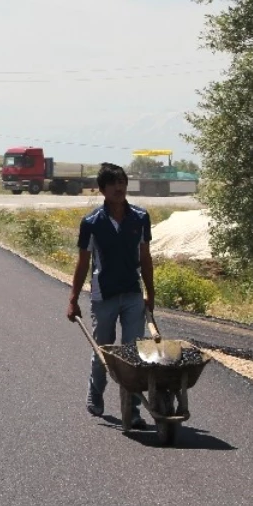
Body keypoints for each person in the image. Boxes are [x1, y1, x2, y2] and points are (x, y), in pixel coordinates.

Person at [66, 162, 154, 429]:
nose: (119, 188)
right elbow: (83, 262)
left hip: (131, 293)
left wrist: (151, 292)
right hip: (104, 295)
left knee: (131, 354)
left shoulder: (140, 218)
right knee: (103, 349)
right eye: (113, 183)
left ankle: (133, 410)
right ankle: (96, 392)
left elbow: (145, 257)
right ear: (102, 189)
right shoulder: (92, 223)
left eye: (123, 183)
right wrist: (72, 299)